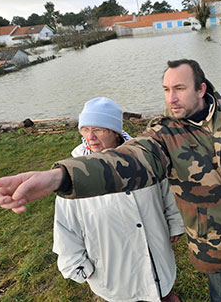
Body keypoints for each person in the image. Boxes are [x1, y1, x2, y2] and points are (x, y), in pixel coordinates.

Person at [0, 59, 221, 302]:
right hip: (212, 244)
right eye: (166, 89)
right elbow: (128, 160)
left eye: (179, 89)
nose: (170, 98)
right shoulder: (163, 136)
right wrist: (62, 176)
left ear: (202, 89)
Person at [54, 97, 185, 302]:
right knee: (123, 292)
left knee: (160, 286)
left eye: (98, 129)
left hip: (154, 248)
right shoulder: (75, 173)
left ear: (115, 131)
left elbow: (166, 191)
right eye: (85, 129)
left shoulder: (143, 159)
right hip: (110, 262)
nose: (91, 137)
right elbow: (65, 224)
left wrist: (175, 223)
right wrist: (76, 263)